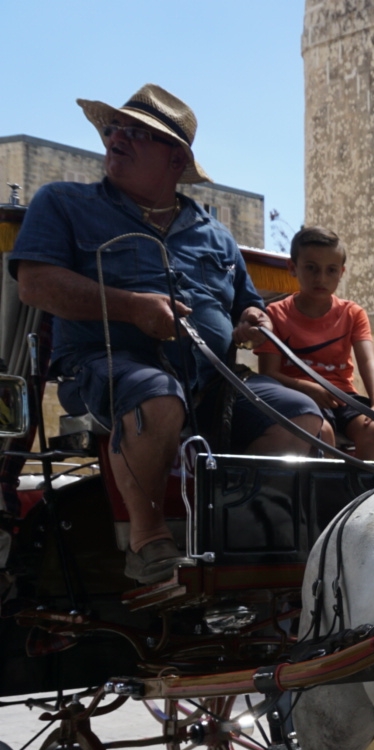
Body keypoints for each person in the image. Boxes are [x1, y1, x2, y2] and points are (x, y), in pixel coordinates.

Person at [9, 84, 330, 584]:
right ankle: (148, 541)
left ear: (176, 160)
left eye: (137, 133)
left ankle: (240, 532)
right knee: (158, 396)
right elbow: (35, 284)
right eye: (115, 128)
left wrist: (252, 322)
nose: (117, 139)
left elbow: (246, 303)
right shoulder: (65, 203)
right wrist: (132, 308)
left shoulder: (215, 234)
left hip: (212, 384)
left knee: (303, 417)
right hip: (107, 367)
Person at [253, 226, 374, 460]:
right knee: (321, 433)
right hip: (297, 397)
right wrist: (308, 388)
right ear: (293, 268)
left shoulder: (353, 313)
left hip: (342, 396)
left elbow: (368, 361)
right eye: (311, 268)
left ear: (341, 272)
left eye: (331, 270)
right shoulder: (275, 314)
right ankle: (328, 494)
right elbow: (268, 373)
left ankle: (366, 493)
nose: (321, 278)